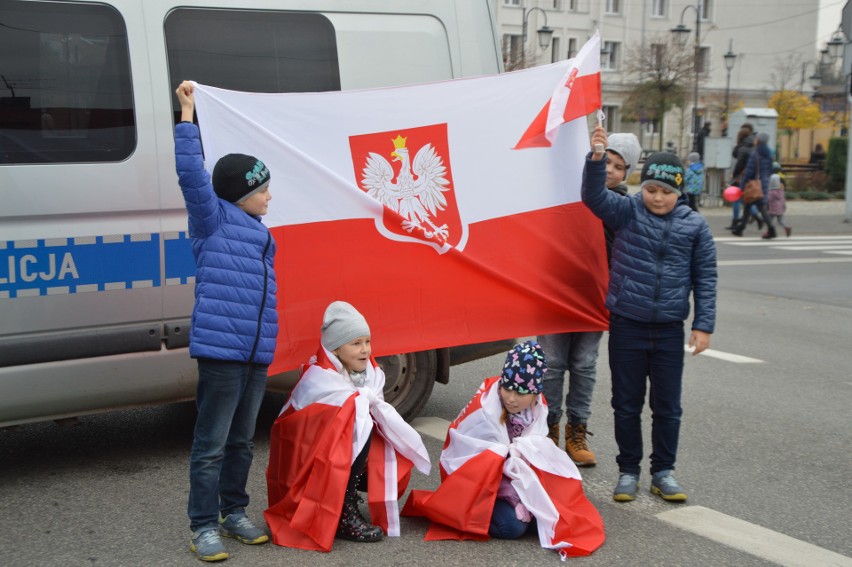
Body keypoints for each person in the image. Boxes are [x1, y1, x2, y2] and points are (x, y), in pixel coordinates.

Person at [582, 127, 717, 503]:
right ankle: (628, 471)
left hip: (670, 329)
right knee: (625, 403)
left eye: (667, 192)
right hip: (627, 324)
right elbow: (593, 196)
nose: (658, 198)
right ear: (643, 187)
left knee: (667, 406)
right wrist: (596, 157)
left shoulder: (694, 226)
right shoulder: (626, 211)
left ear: (679, 193)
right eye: (652, 189)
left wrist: (703, 325)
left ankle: (663, 472)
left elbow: (706, 278)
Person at [175, 81, 278, 562]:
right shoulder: (211, 219)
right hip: (221, 353)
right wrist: (187, 117)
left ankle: (232, 512)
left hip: (255, 354)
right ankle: (202, 525)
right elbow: (192, 175)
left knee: (241, 442)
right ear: (241, 194)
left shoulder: (261, 235)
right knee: (211, 444)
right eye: (262, 189)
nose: (269, 197)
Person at [402, 341, 605, 558]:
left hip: (512, 485)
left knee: (551, 515)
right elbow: (467, 457)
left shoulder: (538, 411)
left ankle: (515, 509)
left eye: (520, 392)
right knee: (513, 527)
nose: (511, 398)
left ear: (535, 393)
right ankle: (470, 515)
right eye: (507, 387)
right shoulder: (485, 409)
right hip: (480, 488)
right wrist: (516, 495)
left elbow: (534, 459)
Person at [265, 301, 430, 552]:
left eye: (367, 342)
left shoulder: (370, 377)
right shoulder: (319, 380)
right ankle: (342, 507)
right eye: (355, 344)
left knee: (366, 426)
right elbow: (307, 435)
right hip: (313, 465)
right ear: (335, 349)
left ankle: (346, 495)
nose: (365, 350)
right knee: (355, 421)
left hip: (343, 457)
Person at [537, 132, 641, 467]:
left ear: (627, 174)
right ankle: (548, 427)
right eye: (606, 161)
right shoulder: (568, 195)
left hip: (596, 298)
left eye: (619, 166)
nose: (610, 170)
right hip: (557, 290)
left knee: (583, 365)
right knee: (551, 364)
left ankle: (576, 431)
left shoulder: (624, 207)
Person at [732, 132, 775, 239]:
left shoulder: (755, 153)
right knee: (751, 206)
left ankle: (771, 229)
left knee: (756, 206)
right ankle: (741, 228)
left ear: (758, 141)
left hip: (754, 184)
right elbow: (770, 169)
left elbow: (749, 172)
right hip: (763, 183)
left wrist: (742, 186)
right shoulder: (769, 153)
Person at [728, 123, 761, 231]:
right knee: (746, 199)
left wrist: (734, 174)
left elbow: (739, 163)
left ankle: (736, 221)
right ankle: (757, 217)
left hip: (741, 176)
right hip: (750, 175)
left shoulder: (743, 148)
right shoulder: (754, 145)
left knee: (737, 199)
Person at [766, 162, 792, 237]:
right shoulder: (781, 191)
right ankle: (786, 227)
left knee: (769, 220)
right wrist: (784, 206)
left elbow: (769, 199)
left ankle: (770, 232)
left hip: (773, 209)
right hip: (780, 208)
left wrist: (766, 204)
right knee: (780, 221)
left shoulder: (771, 191)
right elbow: (783, 199)